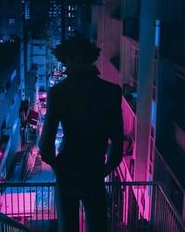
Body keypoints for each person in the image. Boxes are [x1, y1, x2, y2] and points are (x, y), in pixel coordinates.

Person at [39, 34, 123, 232]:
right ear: (91, 58)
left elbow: (46, 146)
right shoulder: (111, 91)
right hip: (94, 168)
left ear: (67, 59)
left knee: (68, 226)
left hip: (67, 168)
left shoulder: (59, 92)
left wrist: (57, 166)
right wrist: (102, 170)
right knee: (98, 225)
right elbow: (117, 145)